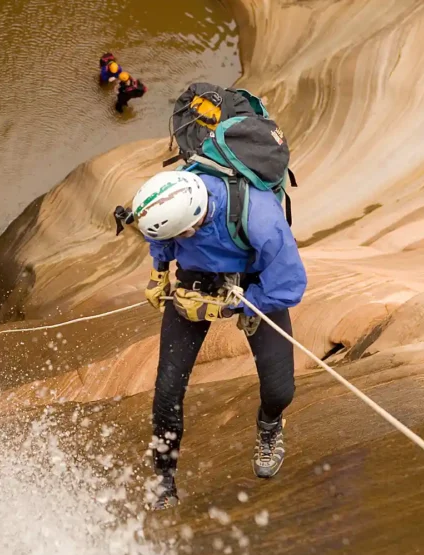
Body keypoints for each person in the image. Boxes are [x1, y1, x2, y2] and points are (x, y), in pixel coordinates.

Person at [125, 170, 306, 510]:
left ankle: (269, 426)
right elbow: (160, 236)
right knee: (167, 391)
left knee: (280, 389)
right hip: (196, 280)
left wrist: (230, 306)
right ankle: (164, 482)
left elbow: (289, 285)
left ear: (192, 225)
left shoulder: (262, 220)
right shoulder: (173, 196)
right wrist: (158, 273)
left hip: (255, 284)